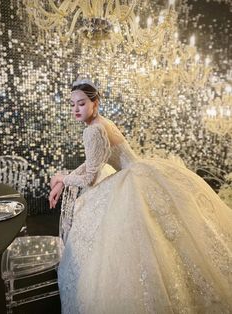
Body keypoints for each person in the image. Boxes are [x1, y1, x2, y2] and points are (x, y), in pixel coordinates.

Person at [49, 78, 232, 314]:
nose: (76, 109)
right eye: (72, 104)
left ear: (95, 103)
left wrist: (62, 179)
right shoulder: (101, 123)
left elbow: (90, 178)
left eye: (81, 103)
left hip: (131, 179)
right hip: (141, 170)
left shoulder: (93, 130)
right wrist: (62, 178)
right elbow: (93, 162)